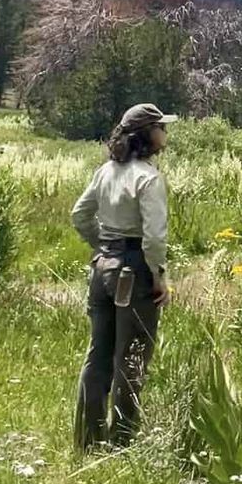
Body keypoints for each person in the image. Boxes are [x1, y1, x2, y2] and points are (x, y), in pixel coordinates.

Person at [71, 102, 176, 450]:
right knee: (131, 357)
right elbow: (154, 237)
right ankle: (121, 443)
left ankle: (87, 440)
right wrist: (158, 276)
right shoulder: (148, 177)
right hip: (133, 270)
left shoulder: (106, 171)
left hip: (102, 267)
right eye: (161, 126)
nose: (165, 132)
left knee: (97, 354)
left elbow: (80, 215)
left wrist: (102, 244)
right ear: (148, 133)